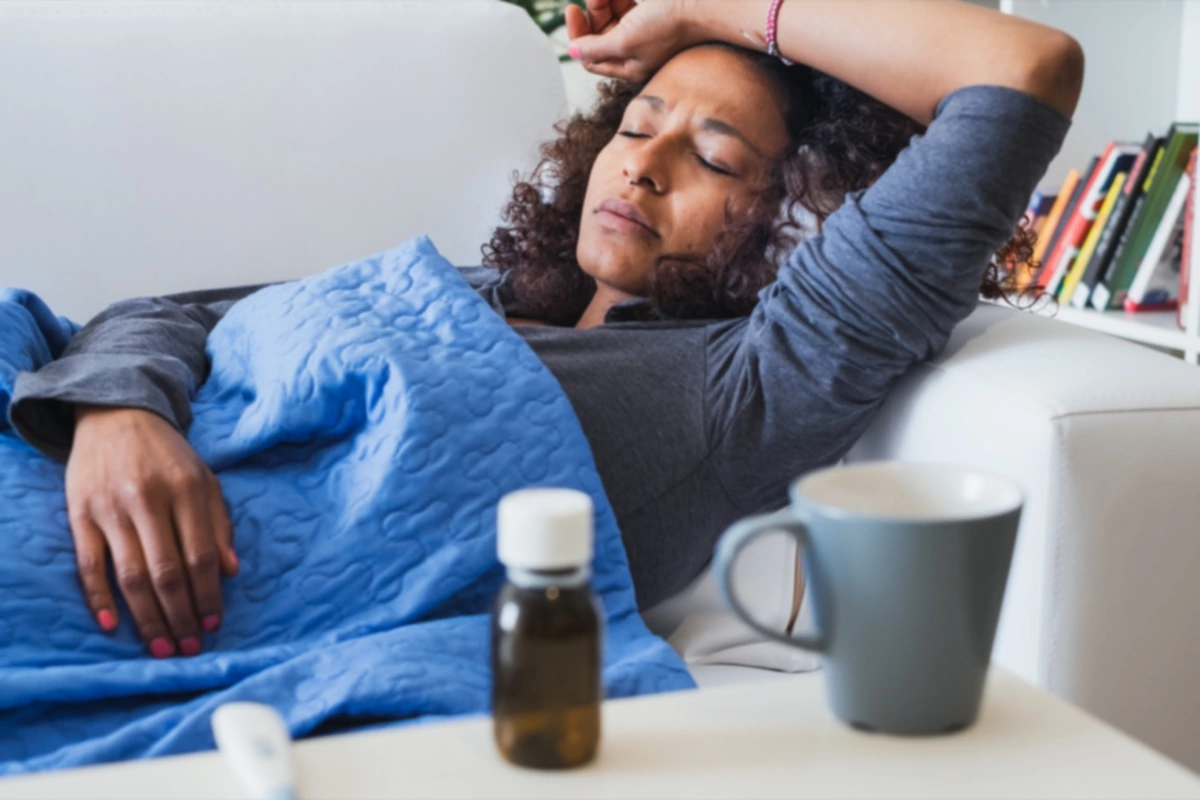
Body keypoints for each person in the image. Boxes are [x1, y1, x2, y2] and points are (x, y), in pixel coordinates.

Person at [8, 0, 1082, 659]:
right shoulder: (477, 285)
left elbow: (1024, 72)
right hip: (60, 449)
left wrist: (704, 9)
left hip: (128, 580)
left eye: (711, 157)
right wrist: (113, 413)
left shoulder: (745, 385)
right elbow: (160, 316)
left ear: (792, 215)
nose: (643, 162)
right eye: (636, 121)